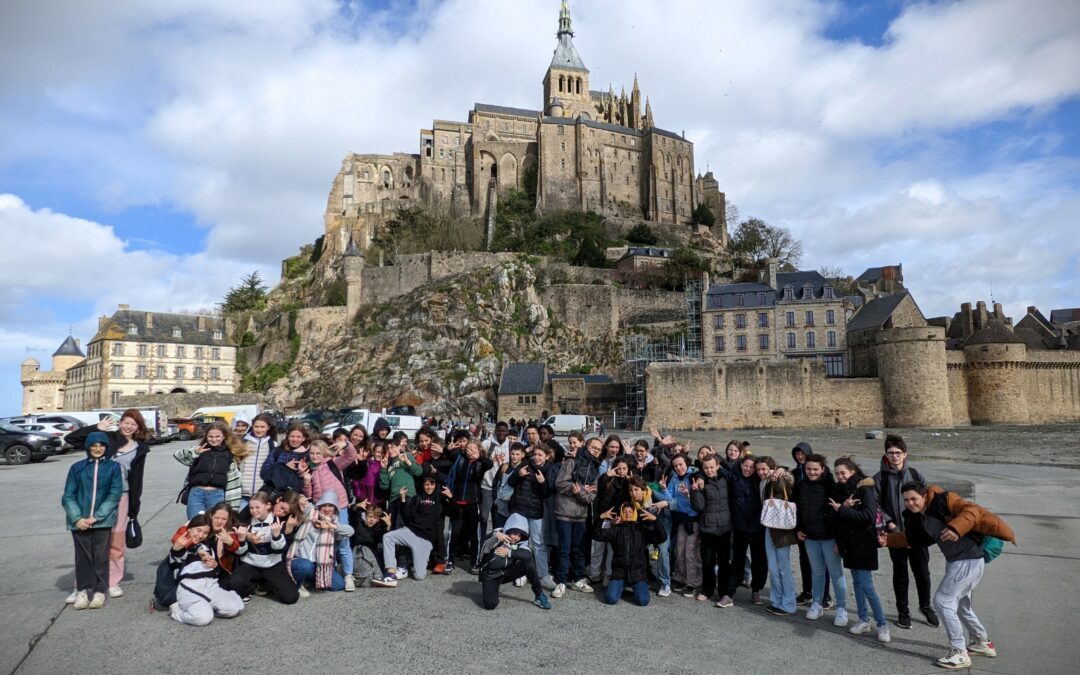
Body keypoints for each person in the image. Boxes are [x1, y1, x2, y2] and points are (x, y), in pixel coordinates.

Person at [881, 482, 1016, 670]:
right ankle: (982, 642)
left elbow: (971, 511)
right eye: (906, 500)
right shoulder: (920, 516)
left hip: (968, 558)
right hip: (957, 561)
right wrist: (887, 540)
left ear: (924, 496)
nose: (910, 503)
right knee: (961, 606)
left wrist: (955, 528)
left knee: (943, 601)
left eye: (914, 498)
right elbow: (910, 538)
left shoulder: (944, 500)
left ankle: (960, 653)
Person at [65, 410, 150, 601]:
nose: (128, 426)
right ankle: (82, 585)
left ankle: (111, 581)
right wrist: (96, 428)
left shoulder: (140, 448)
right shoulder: (106, 439)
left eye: (133, 424)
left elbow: (137, 479)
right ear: (119, 424)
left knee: (116, 542)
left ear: (138, 428)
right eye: (125, 422)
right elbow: (72, 439)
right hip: (96, 495)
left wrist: (134, 508)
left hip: (122, 497)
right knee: (88, 541)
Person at [875, 434, 937, 629]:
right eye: (890, 453)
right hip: (896, 534)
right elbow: (876, 505)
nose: (894, 456)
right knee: (900, 574)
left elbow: (927, 500)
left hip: (917, 533)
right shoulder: (881, 478)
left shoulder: (916, 475)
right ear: (886, 454)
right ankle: (903, 611)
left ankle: (926, 607)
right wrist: (889, 522)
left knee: (923, 573)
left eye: (898, 453)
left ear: (905, 454)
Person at [830, 458, 890, 643]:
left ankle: (882, 624)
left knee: (867, 586)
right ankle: (864, 620)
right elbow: (840, 521)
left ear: (852, 471)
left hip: (864, 544)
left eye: (843, 473)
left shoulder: (865, 489)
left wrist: (843, 509)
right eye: (837, 473)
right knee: (857, 583)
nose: (840, 476)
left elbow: (868, 517)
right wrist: (839, 542)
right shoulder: (842, 491)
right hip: (850, 544)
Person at [62, 431, 123, 610]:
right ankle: (82, 590)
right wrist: (77, 518)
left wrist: (97, 517)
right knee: (82, 557)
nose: (98, 449)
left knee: (100, 556)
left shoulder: (113, 467)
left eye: (101, 445)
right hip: (79, 521)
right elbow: (68, 495)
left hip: (101, 521)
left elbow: (114, 494)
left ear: (106, 447)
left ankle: (99, 590)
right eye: (94, 445)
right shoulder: (77, 467)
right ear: (88, 447)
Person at [794, 452, 848, 626]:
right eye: (809, 469)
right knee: (816, 572)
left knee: (836, 573)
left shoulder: (830, 486)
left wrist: (840, 541)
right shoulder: (801, 485)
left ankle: (842, 608)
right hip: (810, 537)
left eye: (815, 469)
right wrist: (798, 529)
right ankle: (816, 604)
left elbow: (839, 514)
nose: (812, 472)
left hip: (829, 537)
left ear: (822, 469)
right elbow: (796, 509)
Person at [222, 492, 299, 605]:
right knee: (234, 584)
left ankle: (267, 583)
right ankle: (251, 586)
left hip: (272, 565)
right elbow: (240, 553)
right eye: (251, 508)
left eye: (257, 507)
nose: (254, 510)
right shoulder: (246, 523)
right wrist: (242, 540)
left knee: (290, 598)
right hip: (250, 564)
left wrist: (276, 536)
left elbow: (279, 550)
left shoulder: (279, 522)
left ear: (268, 505)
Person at [302, 438, 357, 590]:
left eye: (318, 453)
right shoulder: (309, 470)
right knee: (326, 542)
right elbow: (310, 495)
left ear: (324, 452)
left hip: (341, 507)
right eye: (312, 453)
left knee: (344, 542)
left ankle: (348, 575)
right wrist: (306, 482)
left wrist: (346, 445)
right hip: (322, 510)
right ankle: (327, 573)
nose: (314, 456)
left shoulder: (333, 463)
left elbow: (351, 456)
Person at [373, 476, 447, 587]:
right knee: (388, 537)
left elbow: (454, 513)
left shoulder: (440, 499)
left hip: (425, 541)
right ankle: (391, 572)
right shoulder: (417, 498)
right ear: (423, 485)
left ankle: (418, 562)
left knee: (419, 576)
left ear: (435, 485)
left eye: (431, 484)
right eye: (426, 484)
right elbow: (408, 516)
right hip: (411, 531)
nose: (429, 487)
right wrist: (403, 499)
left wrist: (451, 498)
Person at [594, 501, 666, 606]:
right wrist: (601, 517)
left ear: (634, 513)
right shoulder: (616, 530)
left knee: (643, 601)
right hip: (619, 573)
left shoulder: (641, 530)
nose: (628, 513)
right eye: (625, 511)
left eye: (630, 511)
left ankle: (632, 586)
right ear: (622, 513)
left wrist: (655, 520)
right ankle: (619, 586)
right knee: (611, 599)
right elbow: (596, 535)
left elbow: (662, 537)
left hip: (637, 574)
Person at [552, 432, 598, 598]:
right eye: (593, 447)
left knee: (579, 549)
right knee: (564, 549)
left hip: (581, 514)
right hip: (565, 513)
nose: (596, 451)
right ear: (586, 445)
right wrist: (576, 488)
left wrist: (580, 493)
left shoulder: (593, 468)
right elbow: (560, 483)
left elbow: (591, 495)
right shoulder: (571, 462)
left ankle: (577, 578)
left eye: (599, 449)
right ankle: (561, 581)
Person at [476, 513, 550, 610]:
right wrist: (495, 536)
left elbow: (528, 554)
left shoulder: (521, 541)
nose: (516, 537)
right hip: (491, 575)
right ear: (509, 529)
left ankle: (539, 595)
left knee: (529, 563)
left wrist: (509, 552)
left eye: (520, 535)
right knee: (490, 604)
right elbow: (483, 548)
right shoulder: (498, 533)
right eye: (515, 533)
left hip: (506, 574)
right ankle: (489, 590)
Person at [175, 422, 247, 519]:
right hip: (196, 494)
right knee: (195, 525)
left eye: (217, 436)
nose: (214, 439)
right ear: (206, 436)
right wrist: (194, 452)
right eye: (210, 436)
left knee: (214, 527)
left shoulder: (229, 455)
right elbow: (178, 455)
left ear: (224, 437)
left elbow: (233, 482)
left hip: (217, 495)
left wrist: (233, 507)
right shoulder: (199, 450)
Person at [288, 490, 355, 595]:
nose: (327, 509)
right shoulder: (310, 513)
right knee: (306, 566)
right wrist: (302, 496)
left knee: (339, 585)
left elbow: (350, 531)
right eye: (324, 505)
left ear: (335, 508)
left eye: (330, 506)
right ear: (319, 505)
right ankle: (297, 584)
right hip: (300, 560)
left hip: (319, 565)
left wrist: (331, 526)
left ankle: (311, 580)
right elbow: (301, 502)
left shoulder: (334, 523)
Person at [689, 455, 734, 605]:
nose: (709, 470)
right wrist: (695, 491)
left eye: (711, 467)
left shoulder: (726, 479)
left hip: (725, 527)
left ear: (717, 466)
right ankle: (707, 590)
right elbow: (699, 507)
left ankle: (724, 592)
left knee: (724, 562)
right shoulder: (700, 482)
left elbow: (733, 469)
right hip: (707, 528)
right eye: (706, 468)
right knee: (707, 561)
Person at [507, 445, 556, 587]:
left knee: (538, 543)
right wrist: (518, 475)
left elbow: (546, 494)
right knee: (519, 541)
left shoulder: (549, 470)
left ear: (547, 456)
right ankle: (519, 572)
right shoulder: (525, 465)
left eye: (540, 455)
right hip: (519, 509)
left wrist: (542, 483)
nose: (536, 457)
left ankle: (543, 575)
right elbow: (510, 483)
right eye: (535, 454)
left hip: (536, 511)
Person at [791, 442, 832, 608]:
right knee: (805, 560)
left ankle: (825, 595)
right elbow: (794, 504)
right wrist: (797, 528)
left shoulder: (827, 479)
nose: (800, 456)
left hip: (823, 530)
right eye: (797, 453)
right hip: (805, 528)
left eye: (803, 453)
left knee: (823, 564)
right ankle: (807, 591)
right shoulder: (795, 475)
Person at [757, 456, 798, 616]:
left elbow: (782, 487)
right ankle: (776, 601)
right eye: (759, 469)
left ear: (771, 468)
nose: (761, 472)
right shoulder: (761, 481)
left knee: (784, 568)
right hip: (769, 525)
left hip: (782, 529)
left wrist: (777, 476)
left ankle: (789, 604)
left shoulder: (776, 478)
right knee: (773, 568)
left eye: (764, 469)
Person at [445, 439, 493, 573]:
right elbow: (449, 452)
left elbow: (490, 464)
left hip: (473, 502)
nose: (470, 452)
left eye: (473, 450)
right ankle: (449, 560)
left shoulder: (480, 463)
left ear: (479, 451)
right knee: (453, 533)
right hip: (457, 501)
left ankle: (475, 562)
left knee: (474, 534)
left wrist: (479, 457)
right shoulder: (460, 460)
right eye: (468, 450)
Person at [171, 543, 244, 626]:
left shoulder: (208, 546)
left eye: (205, 532)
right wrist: (198, 549)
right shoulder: (181, 546)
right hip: (189, 586)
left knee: (235, 609)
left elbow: (219, 572)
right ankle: (177, 613)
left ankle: (210, 606)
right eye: (198, 530)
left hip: (211, 584)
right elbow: (177, 549)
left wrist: (215, 565)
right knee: (203, 618)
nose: (201, 534)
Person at [727, 455, 766, 606]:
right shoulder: (734, 478)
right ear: (741, 464)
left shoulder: (759, 481)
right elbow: (716, 469)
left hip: (758, 528)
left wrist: (782, 469)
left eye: (752, 467)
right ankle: (730, 592)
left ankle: (756, 590)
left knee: (759, 561)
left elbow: (781, 475)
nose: (748, 469)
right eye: (746, 466)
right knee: (737, 560)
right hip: (740, 527)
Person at [662, 454, 701, 596]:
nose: (679, 468)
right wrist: (664, 489)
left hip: (694, 521)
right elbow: (671, 500)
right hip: (681, 520)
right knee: (679, 550)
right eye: (676, 466)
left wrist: (689, 495)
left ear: (687, 463)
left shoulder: (694, 477)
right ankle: (680, 578)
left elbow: (700, 503)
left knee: (691, 553)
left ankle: (694, 582)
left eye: (681, 464)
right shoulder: (674, 479)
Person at [378, 433, 423, 527]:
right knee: (391, 527)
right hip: (393, 499)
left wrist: (407, 461)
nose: (390, 450)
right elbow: (384, 486)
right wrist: (383, 468)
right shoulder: (388, 464)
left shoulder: (406, 455)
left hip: (407, 496)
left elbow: (419, 472)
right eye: (388, 448)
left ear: (399, 447)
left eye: (392, 447)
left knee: (404, 526)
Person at [238, 413, 278, 510]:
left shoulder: (273, 445)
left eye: (262, 427)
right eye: (256, 426)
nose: (259, 430)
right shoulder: (243, 442)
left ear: (268, 427)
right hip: (243, 492)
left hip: (262, 493)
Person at [351, 501, 391, 587]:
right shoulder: (358, 522)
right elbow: (352, 512)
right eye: (370, 516)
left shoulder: (378, 527)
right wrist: (357, 506)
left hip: (371, 555)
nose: (372, 519)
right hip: (356, 554)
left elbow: (382, 538)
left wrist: (388, 526)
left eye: (375, 518)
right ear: (365, 516)